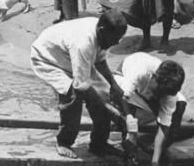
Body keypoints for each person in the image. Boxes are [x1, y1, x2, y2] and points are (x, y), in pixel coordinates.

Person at [30, 9, 128, 159]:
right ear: (101, 30)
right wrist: (111, 111)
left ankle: (98, 144)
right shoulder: (83, 43)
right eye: (115, 39)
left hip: (69, 57)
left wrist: (113, 85)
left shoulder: (103, 35)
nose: (116, 43)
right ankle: (63, 141)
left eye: (119, 39)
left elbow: (100, 62)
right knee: (72, 96)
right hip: (48, 59)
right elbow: (81, 87)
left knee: (104, 94)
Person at [112, 53, 186, 165]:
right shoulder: (137, 72)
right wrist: (129, 119)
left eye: (163, 94)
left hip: (143, 89)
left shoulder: (169, 93)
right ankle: (129, 147)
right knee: (121, 99)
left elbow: (164, 127)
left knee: (180, 104)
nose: (161, 96)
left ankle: (160, 150)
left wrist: (155, 162)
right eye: (159, 92)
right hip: (123, 80)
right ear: (155, 78)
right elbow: (123, 96)